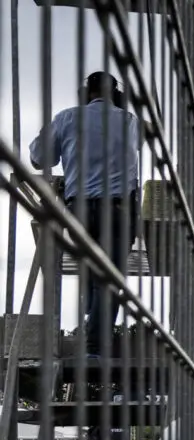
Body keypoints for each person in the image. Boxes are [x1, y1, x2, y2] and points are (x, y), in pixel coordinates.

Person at [29, 71, 141, 357]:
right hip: (119, 210)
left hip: (79, 210)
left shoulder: (68, 117)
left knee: (92, 274)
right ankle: (95, 345)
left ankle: (93, 339)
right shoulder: (129, 121)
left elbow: (39, 157)